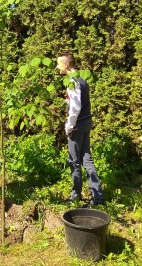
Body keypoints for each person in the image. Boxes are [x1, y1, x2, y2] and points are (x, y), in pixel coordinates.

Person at [56, 52, 104, 207]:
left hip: (77, 126)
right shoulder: (82, 80)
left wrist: (69, 127)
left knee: (74, 161)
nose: (57, 67)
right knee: (86, 159)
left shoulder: (73, 82)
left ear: (68, 64)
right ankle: (98, 198)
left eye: (60, 64)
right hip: (86, 123)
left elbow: (75, 108)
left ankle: (75, 195)